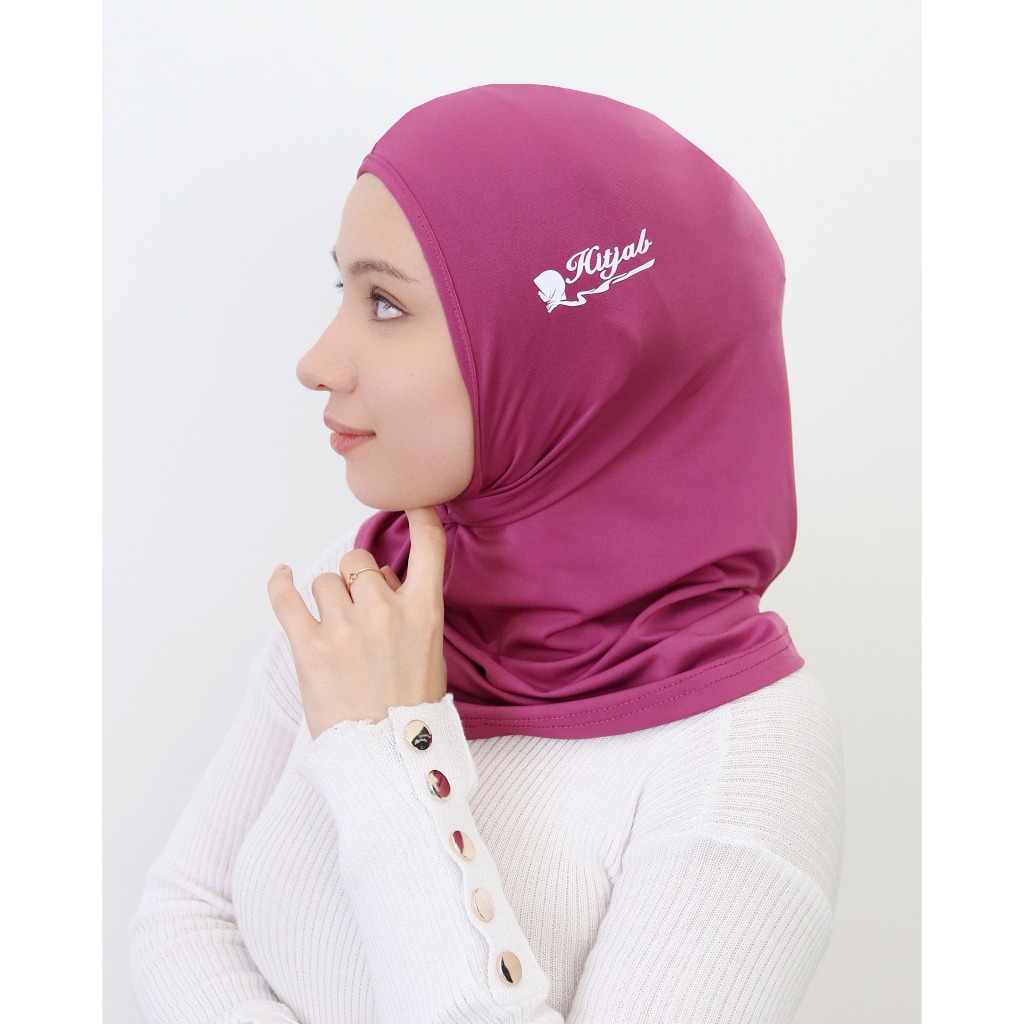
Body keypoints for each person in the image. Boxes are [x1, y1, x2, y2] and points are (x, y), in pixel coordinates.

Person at [130, 84, 843, 1024]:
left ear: (572, 356)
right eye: (342, 290)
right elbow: (185, 914)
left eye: (385, 304)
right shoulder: (373, 591)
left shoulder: (742, 756)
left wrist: (393, 753)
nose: (317, 360)